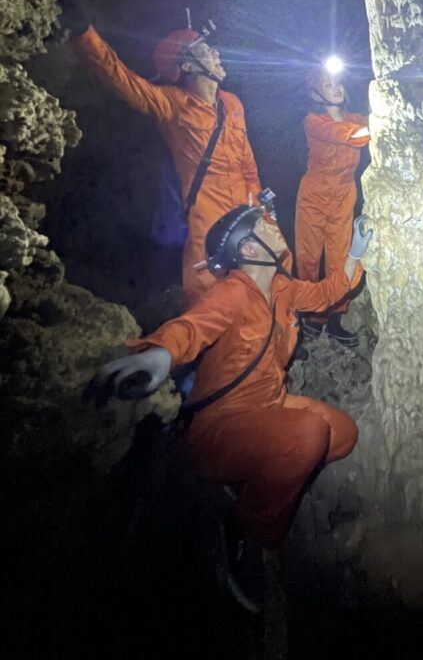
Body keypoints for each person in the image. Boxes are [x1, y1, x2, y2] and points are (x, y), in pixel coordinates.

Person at [88, 197, 373, 611]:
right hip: (219, 429)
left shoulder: (280, 289)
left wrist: (356, 253)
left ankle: (261, 474)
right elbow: (193, 327)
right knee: (309, 437)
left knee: (342, 435)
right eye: (267, 226)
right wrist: (160, 354)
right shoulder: (232, 295)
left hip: (269, 405)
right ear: (249, 249)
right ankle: (243, 531)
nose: (277, 229)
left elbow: (328, 293)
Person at [64, 0, 262, 305]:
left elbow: (247, 163)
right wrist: (84, 33)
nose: (215, 53)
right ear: (186, 64)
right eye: (204, 50)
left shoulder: (232, 104)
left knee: (260, 291)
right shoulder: (173, 104)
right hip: (206, 218)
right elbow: (122, 79)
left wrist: (261, 210)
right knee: (207, 299)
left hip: (245, 211)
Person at [294, 65, 369, 347]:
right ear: (315, 93)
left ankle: (336, 316)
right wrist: (375, 125)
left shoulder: (354, 117)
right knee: (309, 257)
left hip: (343, 193)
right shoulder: (313, 121)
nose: (336, 87)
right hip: (314, 194)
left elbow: (368, 124)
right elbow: (351, 135)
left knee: (339, 257)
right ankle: (313, 315)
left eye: (338, 83)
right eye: (328, 85)